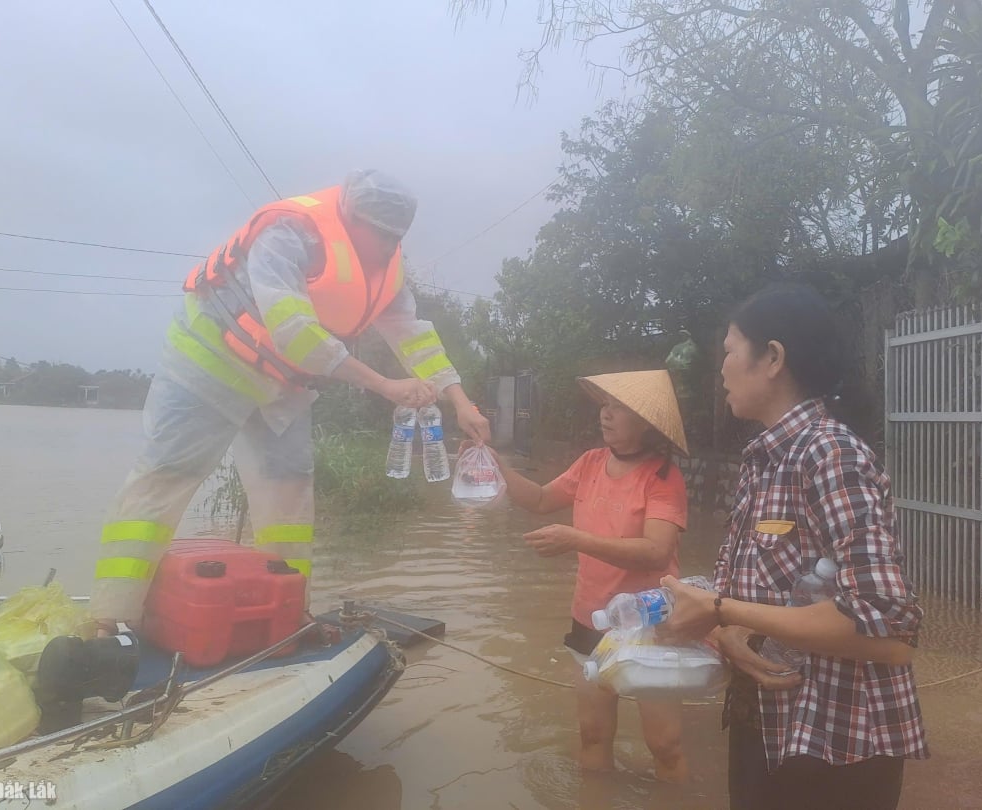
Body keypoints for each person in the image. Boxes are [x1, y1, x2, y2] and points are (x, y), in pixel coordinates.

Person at [91, 170, 490, 632]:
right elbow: (295, 332)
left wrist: (461, 401)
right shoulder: (289, 233)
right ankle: (110, 616)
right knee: (165, 476)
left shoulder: (387, 270)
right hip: (211, 362)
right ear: (351, 216)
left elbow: (415, 337)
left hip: (284, 386)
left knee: (290, 494)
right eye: (380, 234)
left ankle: (289, 612)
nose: (387, 247)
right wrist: (385, 385)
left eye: (396, 238)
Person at [660, 284, 928, 810]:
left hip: (837, 745)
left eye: (730, 352)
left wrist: (719, 609)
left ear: (773, 358)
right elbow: (773, 598)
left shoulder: (830, 454)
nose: (721, 370)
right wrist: (730, 633)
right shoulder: (766, 461)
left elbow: (890, 628)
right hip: (768, 725)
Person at [489, 369, 691, 782]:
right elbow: (542, 500)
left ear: (646, 423)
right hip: (591, 620)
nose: (606, 414)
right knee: (593, 734)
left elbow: (657, 551)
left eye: (619, 407)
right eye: (605, 404)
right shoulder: (591, 463)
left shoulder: (663, 478)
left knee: (664, 744)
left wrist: (577, 539)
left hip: (652, 623)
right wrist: (499, 465)